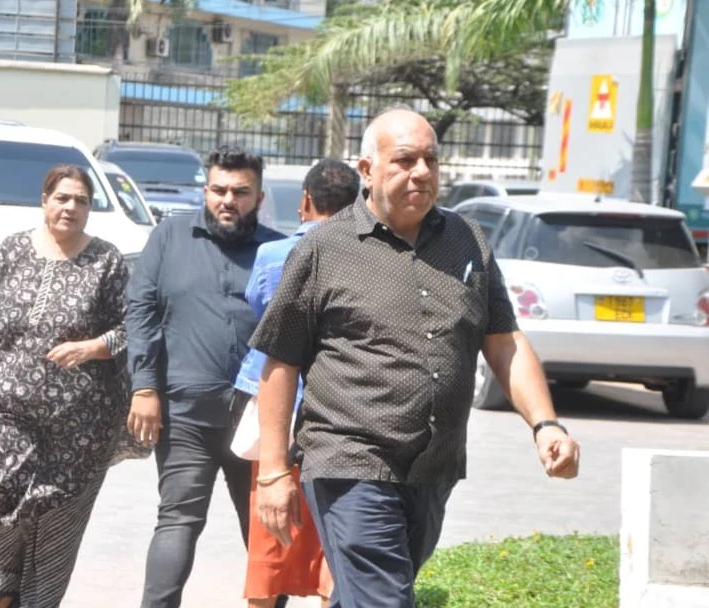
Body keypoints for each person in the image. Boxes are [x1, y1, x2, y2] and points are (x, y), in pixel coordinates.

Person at [249, 109, 581, 608]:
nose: (422, 172)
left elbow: (504, 341)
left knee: (369, 594)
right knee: (385, 599)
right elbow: (280, 361)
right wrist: (274, 471)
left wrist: (545, 424)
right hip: (349, 460)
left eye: (430, 159)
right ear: (367, 169)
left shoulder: (467, 240)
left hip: (433, 466)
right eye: (405, 160)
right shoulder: (323, 250)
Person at [0, 164, 131, 608]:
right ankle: (8, 580)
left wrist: (91, 347)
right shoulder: (11, 251)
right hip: (4, 401)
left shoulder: (107, 260)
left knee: (56, 521)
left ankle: (35, 602)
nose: (70, 207)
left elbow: (131, 328)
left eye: (81, 201)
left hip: (81, 419)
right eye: (62, 197)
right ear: (44, 200)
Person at [126, 145, 285, 608]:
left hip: (256, 419)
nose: (227, 200)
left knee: (264, 529)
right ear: (206, 189)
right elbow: (140, 312)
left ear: (258, 196)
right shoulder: (170, 236)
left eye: (240, 191)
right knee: (178, 520)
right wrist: (145, 386)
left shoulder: (277, 251)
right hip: (185, 415)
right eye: (218, 190)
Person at [235, 158, 360, 608]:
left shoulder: (273, 255)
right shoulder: (366, 257)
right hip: (343, 415)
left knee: (270, 537)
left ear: (306, 201)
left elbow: (261, 313)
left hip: (279, 416)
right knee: (335, 539)